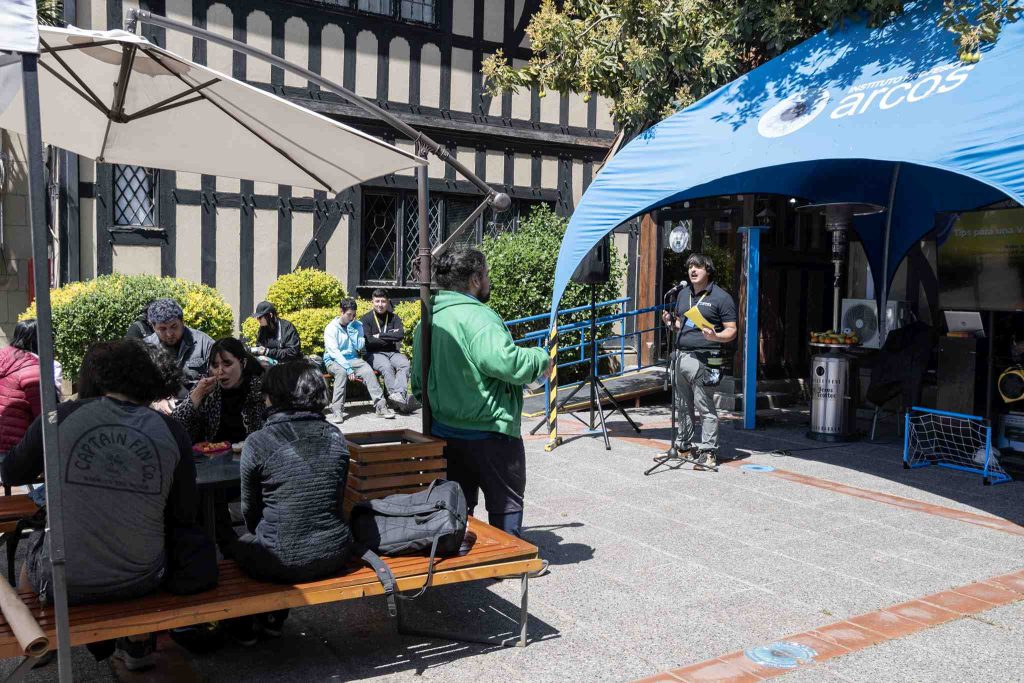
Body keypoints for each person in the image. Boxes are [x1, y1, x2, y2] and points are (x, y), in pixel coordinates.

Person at [0, 340, 213, 671]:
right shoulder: (170, 429)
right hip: (145, 576)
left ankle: (41, 646)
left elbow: (11, 471)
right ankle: (138, 645)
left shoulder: (60, 417)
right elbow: (184, 512)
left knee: (36, 542)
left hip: (62, 584)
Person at [411, 247, 548, 540]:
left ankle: (459, 550)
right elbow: (507, 363)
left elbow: (417, 383)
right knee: (505, 502)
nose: (488, 281)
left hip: (445, 430)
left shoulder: (428, 318)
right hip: (490, 431)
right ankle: (508, 558)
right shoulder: (479, 318)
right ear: (475, 279)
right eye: (485, 275)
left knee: (458, 504)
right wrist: (540, 357)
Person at [225, 360, 352, 642]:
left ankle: (245, 626)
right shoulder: (336, 436)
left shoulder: (258, 442)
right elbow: (335, 498)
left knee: (233, 541)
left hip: (279, 561)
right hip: (337, 552)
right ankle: (272, 617)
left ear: (274, 397)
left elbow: (251, 513)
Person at [660, 253, 737, 470]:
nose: (693, 270)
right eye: (691, 267)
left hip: (706, 357)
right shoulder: (683, 294)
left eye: (699, 267)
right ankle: (684, 446)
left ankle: (708, 452)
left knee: (704, 405)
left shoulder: (721, 297)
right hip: (682, 355)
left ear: (708, 270)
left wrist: (716, 336)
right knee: (682, 405)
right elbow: (681, 325)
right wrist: (670, 322)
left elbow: (731, 330)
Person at [323, 298, 395, 422]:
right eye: (348, 315)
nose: (351, 318)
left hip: (353, 359)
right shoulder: (331, 328)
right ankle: (337, 410)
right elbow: (334, 352)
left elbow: (360, 346)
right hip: (334, 360)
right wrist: (348, 369)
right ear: (341, 311)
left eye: (354, 315)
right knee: (341, 372)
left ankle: (381, 407)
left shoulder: (357, 326)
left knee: (368, 371)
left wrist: (352, 332)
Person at [359, 289, 416, 412]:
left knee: (404, 363)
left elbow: (400, 335)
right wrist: (390, 336)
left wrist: (379, 335)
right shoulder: (366, 319)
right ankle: (395, 397)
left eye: (383, 301)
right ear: (372, 302)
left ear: (388, 302)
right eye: (377, 301)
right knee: (386, 367)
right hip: (373, 353)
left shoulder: (394, 317)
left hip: (392, 352)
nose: (380, 304)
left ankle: (398, 394)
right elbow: (369, 340)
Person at [143, 298, 214, 393]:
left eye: (174, 326)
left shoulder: (204, 343)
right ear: (153, 327)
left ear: (182, 321)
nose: (169, 334)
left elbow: (218, 379)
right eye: (162, 329)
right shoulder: (145, 348)